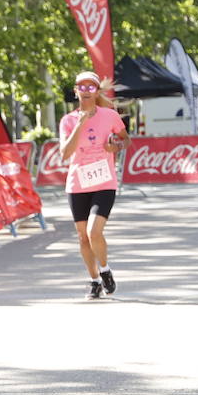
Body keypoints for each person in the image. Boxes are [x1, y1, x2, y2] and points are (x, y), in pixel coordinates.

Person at [60, 71, 129, 299]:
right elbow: (65, 154)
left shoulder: (109, 115)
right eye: (82, 87)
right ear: (76, 90)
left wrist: (115, 145)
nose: (86, 91)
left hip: (104, 181)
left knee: (93, 231)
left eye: (91, 87)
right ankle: (94, 281)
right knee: (82, 237)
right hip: (78, 183)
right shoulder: (68, 121)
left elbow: (125, 139)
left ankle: (105, 269)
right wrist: (81, 123)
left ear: (97, 91)